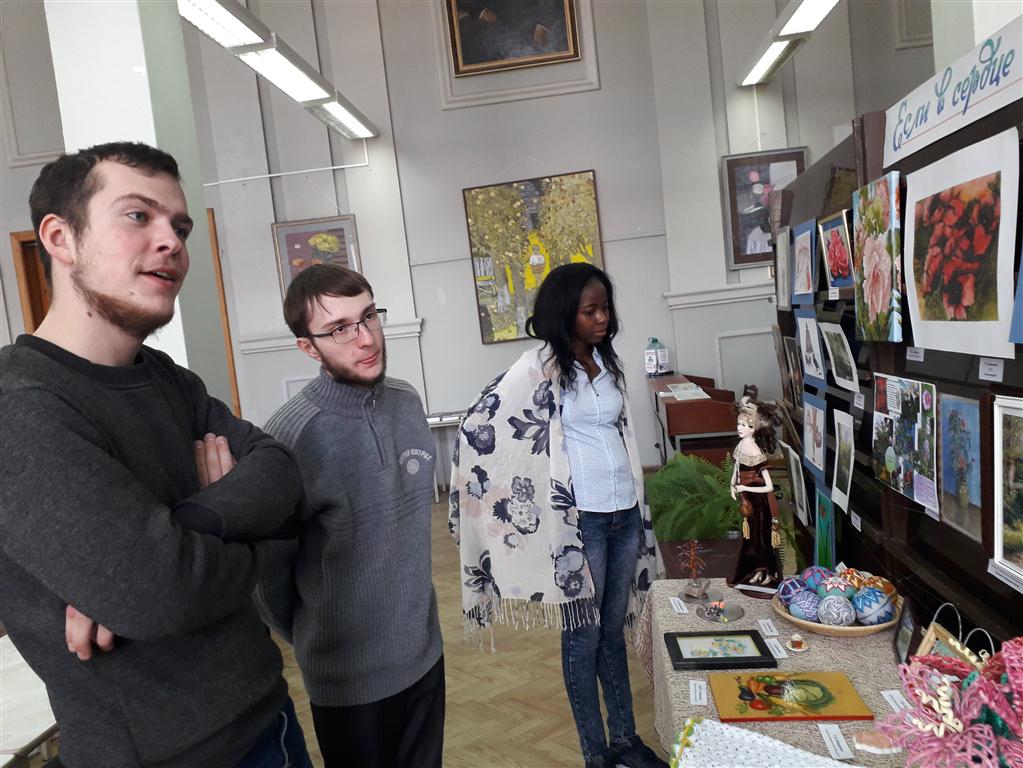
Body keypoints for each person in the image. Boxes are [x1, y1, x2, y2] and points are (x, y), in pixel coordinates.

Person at [0, 142, 312, 766]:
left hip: (268, 720)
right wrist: (258, 535)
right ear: (60, 238)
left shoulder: (166, 377)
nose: (171, 241)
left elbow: (281, 473)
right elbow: (159, 592)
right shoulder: (19, 407)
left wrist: (187, 524)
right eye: (138, 216)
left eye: (181, 227)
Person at [450, 263, 665, 768]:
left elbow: (619, 432)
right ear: (564, 313)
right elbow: (479, 422)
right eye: (590, 311)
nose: (602, 319)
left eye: (605, 308)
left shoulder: (605, 362)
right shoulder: (538, 367)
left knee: (612, 633)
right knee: (583, 635)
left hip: (623, 513)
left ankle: (626, 742)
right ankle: (596, 753)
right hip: (581, 523)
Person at [256, 264, 444, 767]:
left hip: (424, 657)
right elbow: (266, 578)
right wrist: (320, 639)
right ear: (308, 347)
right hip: (347, 682)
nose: (365, 338)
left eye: (369, 316)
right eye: (339, 329)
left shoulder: (406, 402)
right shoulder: (290, 438)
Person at [728, 397, 784, 589]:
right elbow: (736, 467)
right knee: (751, 539)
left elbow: (769, 486)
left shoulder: (756, 452)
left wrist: (745, 488)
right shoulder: (740, 446)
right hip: (746, 501)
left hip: (759, 502)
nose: (740, 428)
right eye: (739, 423)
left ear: (755, 428)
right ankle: (756, 570)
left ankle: (768, 571)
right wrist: (732, 485)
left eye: (746, 425)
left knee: (762, 537)